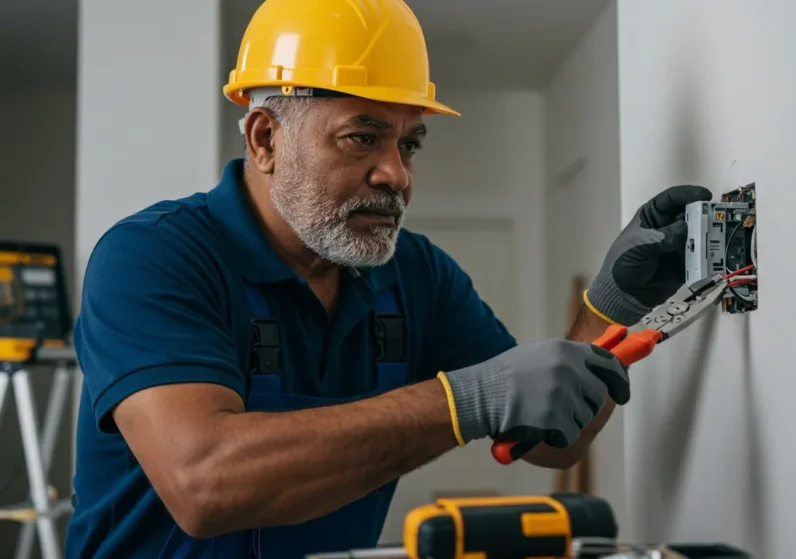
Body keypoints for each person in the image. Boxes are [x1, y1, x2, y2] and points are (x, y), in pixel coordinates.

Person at [64, 0, 713, 557]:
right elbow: (205, 481)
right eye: (362, 138)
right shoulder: (153, 258)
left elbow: (549, 439)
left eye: (409, 143)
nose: (396, 174)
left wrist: (608, 306)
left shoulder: (417, 274)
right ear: (265, 139)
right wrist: (463, 401)